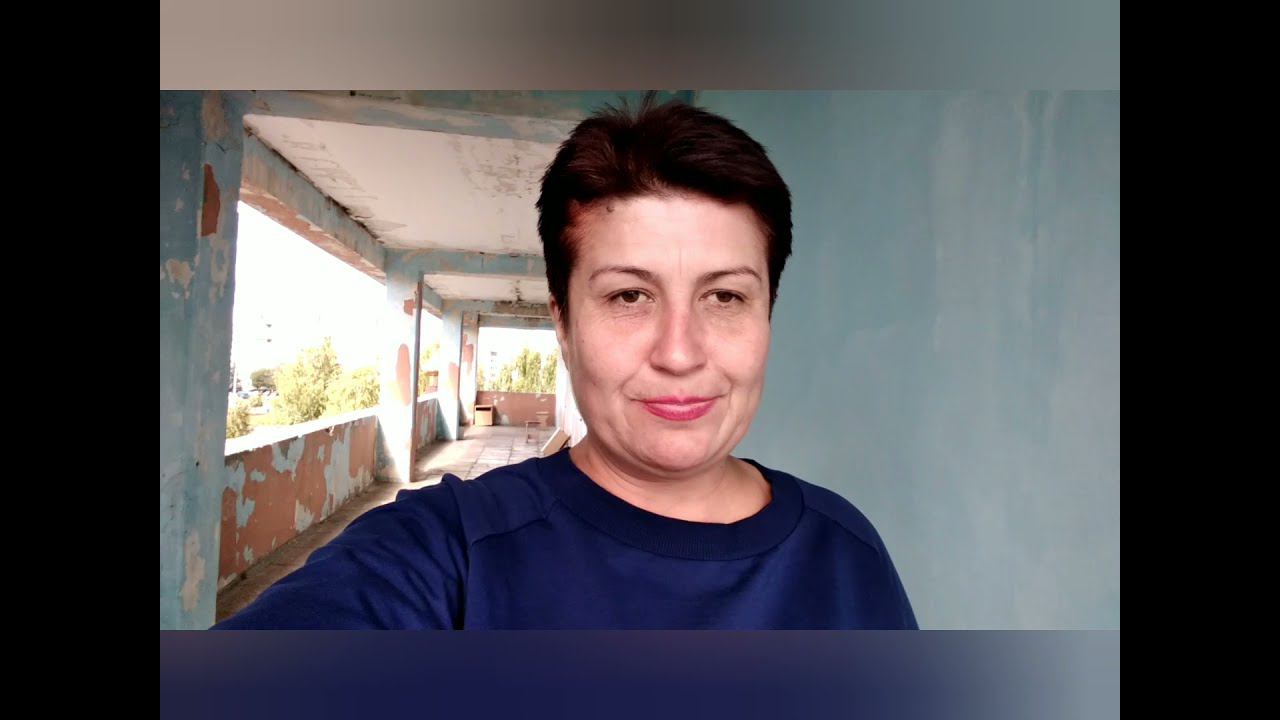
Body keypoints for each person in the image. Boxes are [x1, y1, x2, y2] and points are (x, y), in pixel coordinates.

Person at [213, 94, 918, 630]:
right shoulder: (451, 553)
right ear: (564, 322)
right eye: (629, 295)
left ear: (767, 314)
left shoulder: (845, 556)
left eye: (725, 296)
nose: (679, 353)